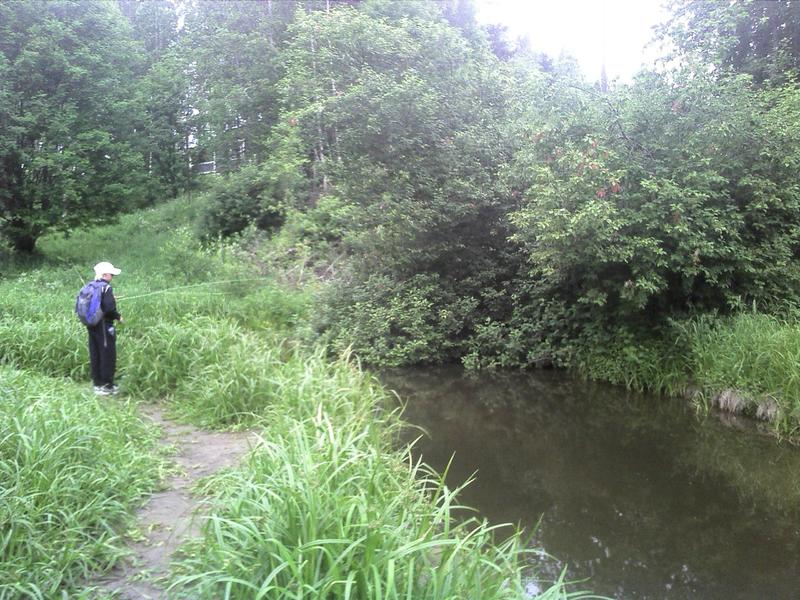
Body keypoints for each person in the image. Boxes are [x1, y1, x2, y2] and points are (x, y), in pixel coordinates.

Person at [87, 261, 123, 395]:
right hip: (104, 325)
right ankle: (107, 386)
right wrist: (118, 317)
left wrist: (110, 298)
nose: (112, 277)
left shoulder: (92, 286)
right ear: (104, 275)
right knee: (107, 354)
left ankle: (97, 384)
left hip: (92, 325)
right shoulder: (106, 288)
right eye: (111, 274)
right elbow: (109, 309)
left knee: (95, 352)